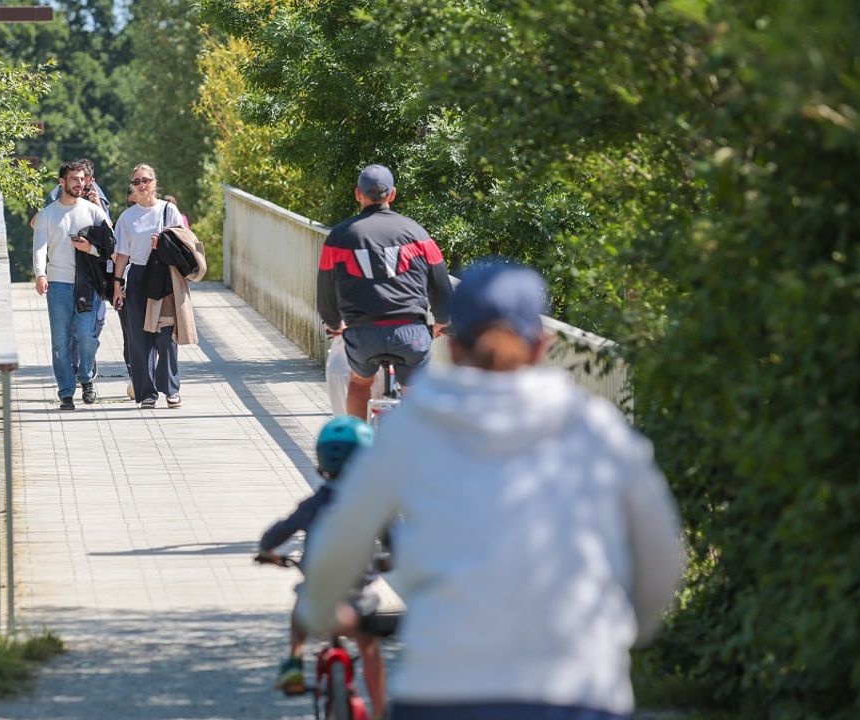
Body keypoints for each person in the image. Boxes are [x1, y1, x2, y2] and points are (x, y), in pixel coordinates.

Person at [296, 259, 686, 720]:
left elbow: (343, 537)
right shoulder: (594, 428)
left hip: (443, 693)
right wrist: (625, 632)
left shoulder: (412, 429)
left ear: (453, 346)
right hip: (578, 691)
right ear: (541, 345)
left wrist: (318, 610)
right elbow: (661, 554)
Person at [258, 417, 389, 720]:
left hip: (316, 599)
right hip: (359, 601)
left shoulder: (314, 505)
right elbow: (400, 543)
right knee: (369, 649)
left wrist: (267, 552)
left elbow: (275, 535)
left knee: (298, 612)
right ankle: (381, 711)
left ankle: (294, 662)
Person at [316, 164, 453, 420]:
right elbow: (441, 285)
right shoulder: (419, 234)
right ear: (392, 194)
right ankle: (414, 448)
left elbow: (325, 294)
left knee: (359, 382)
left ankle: (357, 447)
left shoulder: (338, 237)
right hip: (410, 335)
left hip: (362, 334)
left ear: (358, 194)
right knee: (415, 389)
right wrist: (443, 322)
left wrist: (335, 324)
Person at [33, 160, 113, 410]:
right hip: (58, 284)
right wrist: (40, 274)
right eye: (74, 179)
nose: (79, 184)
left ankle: (86, 377)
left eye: (82, 179)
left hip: (87, 284)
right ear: (62, 182)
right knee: (60, 341)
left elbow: (112, 246)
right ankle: (66, 392)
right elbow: (39, 247)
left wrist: (89, 248)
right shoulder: (48, 214)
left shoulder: (94, 212)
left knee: (87, 337)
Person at [112, 164, 186, 409]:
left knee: (166, 337)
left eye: (146, 180)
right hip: (138, 276)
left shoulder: (169, 211)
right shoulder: (127, 218)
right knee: (139, 338)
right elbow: (121, 255)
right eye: (136, 182)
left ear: (155, 182)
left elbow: (184, 244)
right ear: (132, 187)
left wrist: (163, 244)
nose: (142, 185)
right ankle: (146, 393)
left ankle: (171, 389)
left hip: (164, 276)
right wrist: (117, 286)